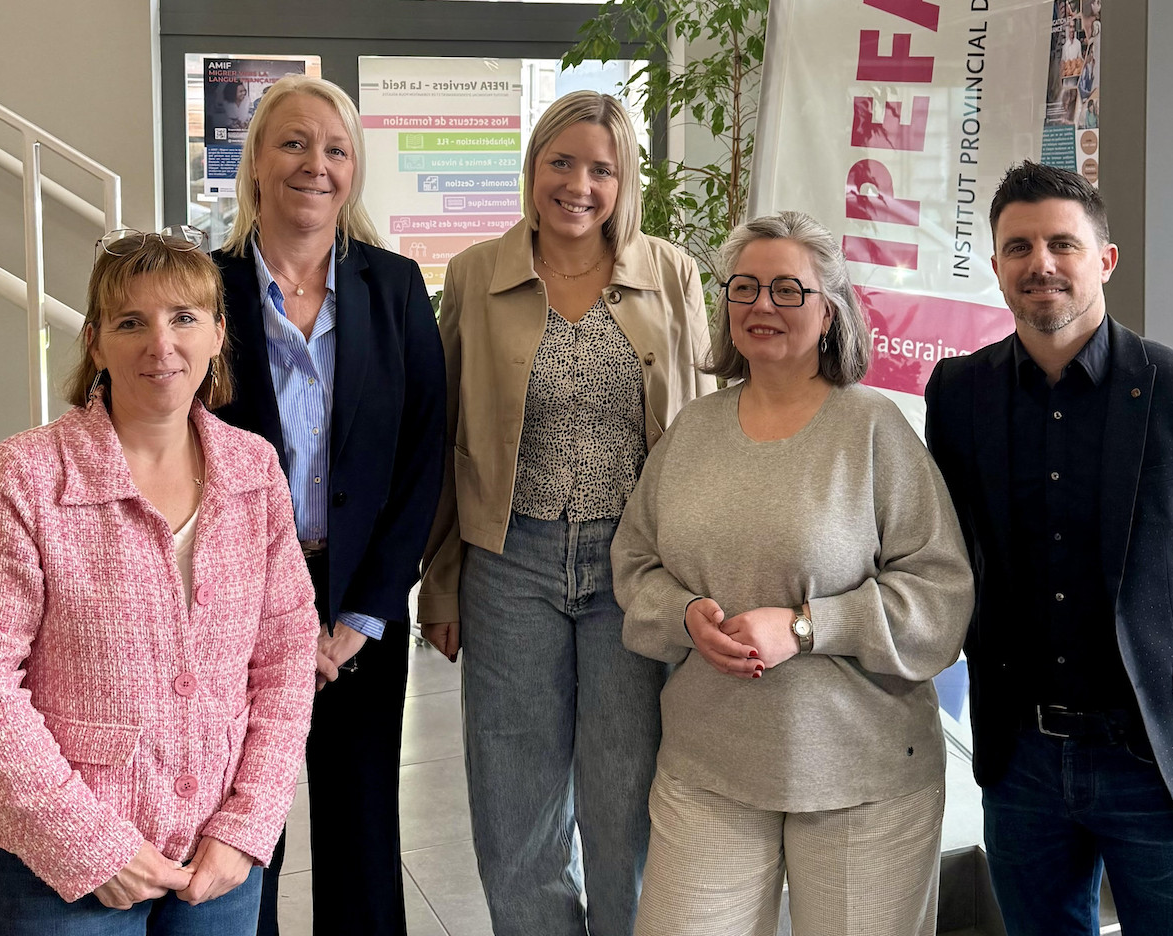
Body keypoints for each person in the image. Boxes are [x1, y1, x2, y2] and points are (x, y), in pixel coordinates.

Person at [925, 160, 1173, 935]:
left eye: (1062, 243)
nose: (1041, 264)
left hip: (1160, 761)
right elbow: (950, 553)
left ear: (1104, 260)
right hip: (1022, 759)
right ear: (996, 267)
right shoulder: (959, 397)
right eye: (1018, 247)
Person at [612, 210, 974, 936]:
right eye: (744, 288)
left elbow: (940, 596)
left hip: (862, 778)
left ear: (830, 313)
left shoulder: (874, 430)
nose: (761, 306)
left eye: (787, 290)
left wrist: (809, 627)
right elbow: (636, 563)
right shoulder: (694, 430)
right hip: (708, 768)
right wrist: (685, 615)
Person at [0, 228, 319, 935]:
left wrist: (248, 824)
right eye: (131, 322)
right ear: (94, 341)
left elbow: (285, 653)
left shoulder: (253, 470)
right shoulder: (25, 478)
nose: (161, 343)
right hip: (54, 869)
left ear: (218, 333)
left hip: (215, 861)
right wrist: (90, 845)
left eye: (184, 317)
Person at [417, 89, 714, 936]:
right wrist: (440, 585)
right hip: (511, 563)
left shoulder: (670, 272)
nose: (578, 184)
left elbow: (698, 429)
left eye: (602, 169)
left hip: (634, 571)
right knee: (516, 804)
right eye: (562, 161)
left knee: (625, 798)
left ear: (624, 183)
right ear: (533, 166)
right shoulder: (476, 274)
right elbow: (448, 439)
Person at [213, 74, 446, 936]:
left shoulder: (394, 286)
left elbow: (423, 456)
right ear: (258, 163)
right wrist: (264, 615)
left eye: (336, 149)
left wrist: (370, 609)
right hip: (236, 613)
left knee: (359, 826)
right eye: (294, 143)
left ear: (354, 170)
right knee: (242, 830)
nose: (316, 164)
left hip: (361, 610)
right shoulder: (207, 291)